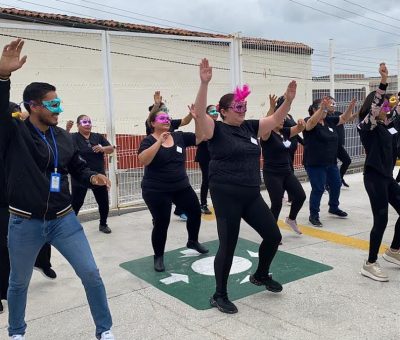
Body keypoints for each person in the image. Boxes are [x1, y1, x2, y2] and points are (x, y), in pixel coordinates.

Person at [0, 39, 114, 340]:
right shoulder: (14, 132)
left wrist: (92, 177)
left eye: (59, 103)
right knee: (18, 283)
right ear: (33, 106)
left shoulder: (64, 136)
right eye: (52, 104)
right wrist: (2, 78)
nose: (58, 108)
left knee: (91, 273)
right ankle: (16, 333)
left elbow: (76, 165)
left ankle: (105, 331)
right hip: (24, 222)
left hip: (64, 221)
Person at [193, 58, 296, 314]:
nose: (242, 109)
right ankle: (219, 294)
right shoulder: (215, 129)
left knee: (273, 236)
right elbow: (200, 117)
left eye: (244, 106)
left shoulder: (251, 127)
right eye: (237, 106)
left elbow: (275, 119)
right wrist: (204, 83)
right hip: (226, 195)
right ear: (224, 110)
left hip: (250, 193)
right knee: (228, 245)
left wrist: (288, 100)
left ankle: (260, 275)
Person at [138, 105, 209, 273]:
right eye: (162, 118)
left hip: (180, 186)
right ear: (153, 123)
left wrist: (197, 119)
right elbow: (144, 160)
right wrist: (159, 142)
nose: (167, 120)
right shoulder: (148, 140)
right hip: (156, 189)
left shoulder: (179, 137)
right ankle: (159, 256)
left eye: (168, 118)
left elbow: (200, 138)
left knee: (195, 212)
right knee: (162, 223)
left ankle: (193, 240)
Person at [358, 63, 400, 282]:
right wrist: (383, 81)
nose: (386, 109)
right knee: (381, 219)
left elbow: (395, 116)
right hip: (373, 177)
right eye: (384, 107)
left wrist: (395, 105)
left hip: (387, 177)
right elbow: (376, 107)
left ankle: (394, 250)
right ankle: (370, 263)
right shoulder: (368, 125)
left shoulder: (386, 126)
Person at [303, 96, 355, 227]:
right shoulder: (308, 121)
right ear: (315, 109)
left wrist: (350, 107)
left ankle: (333, 207)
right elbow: (310, 124)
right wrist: (322, 108)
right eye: (322, 108)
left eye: (326, 109)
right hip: (315, 164)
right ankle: (313, 215)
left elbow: (344, 118)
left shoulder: (329, 121)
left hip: (331, 163)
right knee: (318, 188)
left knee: (336, 185)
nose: (325, 111)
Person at [145, 91, 193, 221]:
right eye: (162, 109)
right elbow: (151, 119)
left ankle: (180, 210)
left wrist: (191, 114)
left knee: (180, 189)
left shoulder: (170, 124)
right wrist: (156, 105)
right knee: (160, 217)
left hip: (173, 159)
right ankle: (157, 217)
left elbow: (184, 121)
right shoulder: (151, 126)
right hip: (157, 161)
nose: (165, 112)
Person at [260, 100, 306, 235]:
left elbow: (299, 129)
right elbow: (265, 124)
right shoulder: (267, 134)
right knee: (277, 204)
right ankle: (271, 231)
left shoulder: (284, 132)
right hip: (272, 173)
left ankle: (291, 219)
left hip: (286, 172)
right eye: (278, 118)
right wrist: (272, 108)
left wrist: (301, 123)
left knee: (300, 196)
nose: (282, 121)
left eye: (283, 118)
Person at [66, 116, 114, 234]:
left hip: (98, 175)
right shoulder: (73, 137)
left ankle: (103, 224)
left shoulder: (97, 136)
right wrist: (67, 129)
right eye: (84, 122)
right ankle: (70, 226)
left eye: (89, 122)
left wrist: (102, 148)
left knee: (103, 202)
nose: (87, 124)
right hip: (80, 175)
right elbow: (63, 144)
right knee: (76, 202)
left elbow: (111, 149)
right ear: (78, 125)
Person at [194, 104, 219, 214]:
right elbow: (201, 138)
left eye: (216, 111)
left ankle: (218, 202)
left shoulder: (218, 125)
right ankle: (203, 204)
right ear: (207, 114)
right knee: (207, 179)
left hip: (216, 156)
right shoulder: (203, 124)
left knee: (217, 180)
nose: (215, 113)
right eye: (212, 111)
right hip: (205, 155)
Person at [326, 96, 352, 188]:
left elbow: (348, 118)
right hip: (330, 146)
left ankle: (340, 178)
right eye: (331, 103)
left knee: (347, 160)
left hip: (339, 145)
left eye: (334, 103)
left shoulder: (337, 114)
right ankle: (328, 183)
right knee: (331, 164)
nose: (333, 105)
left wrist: (353, 111)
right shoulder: (325, 117)